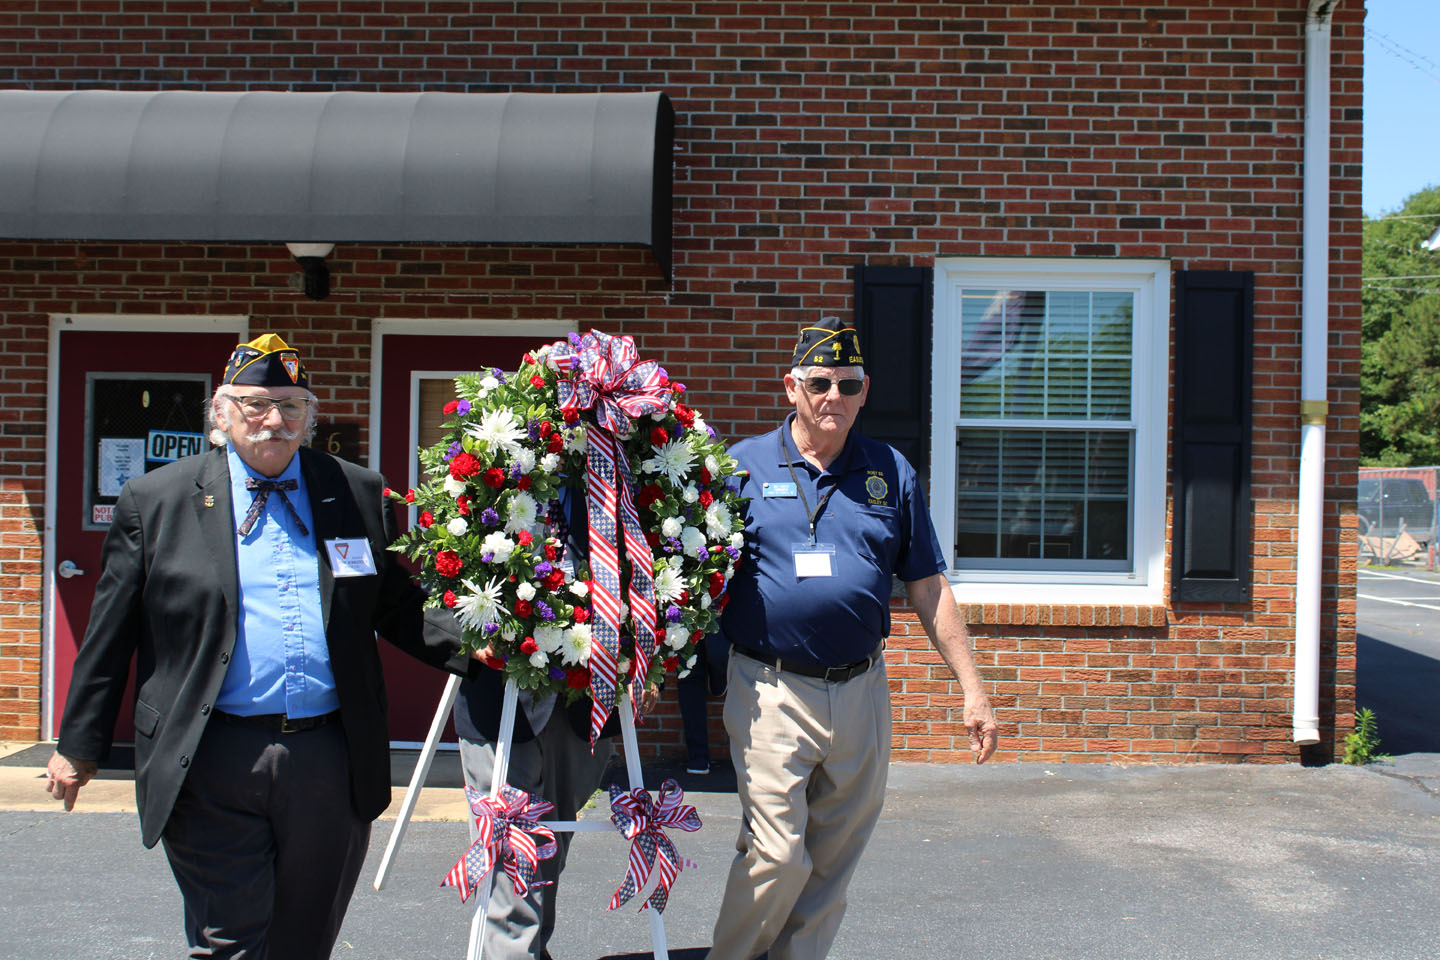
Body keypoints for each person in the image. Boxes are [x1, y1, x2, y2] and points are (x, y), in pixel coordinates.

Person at [45, 333, 476, 959]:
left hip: (329, 753)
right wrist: (78, 746)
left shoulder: (355, 493)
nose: (274, 420)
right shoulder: (157, 500)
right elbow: (110, 635)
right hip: (208, 751)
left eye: (291, 405)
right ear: (221, 413)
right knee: (231, 940)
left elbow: (397, 609)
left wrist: (491, 650)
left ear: (310, 415)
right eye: (255, 404)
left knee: (303, 940)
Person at [707, 316, 999, 960]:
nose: (833, 396)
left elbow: (928, 585)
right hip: (770, 688)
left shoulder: (890, 472)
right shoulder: (739, 467)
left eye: (849, 383)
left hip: (861, 692)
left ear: (866, 391)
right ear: (791, 387)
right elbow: (694, 573)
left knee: (831, 866)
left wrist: (973, 690)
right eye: (819, 382)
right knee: (777, 855)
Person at [453, 491, 658, 960]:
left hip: (585, 704)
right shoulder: (492, 467)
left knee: (548, 853)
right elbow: (435, 586)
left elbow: (657, 579)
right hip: (499, 700)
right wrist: (469, 635)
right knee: (512, 857)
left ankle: (529, 949)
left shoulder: (619, 471)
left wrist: (652, 665)